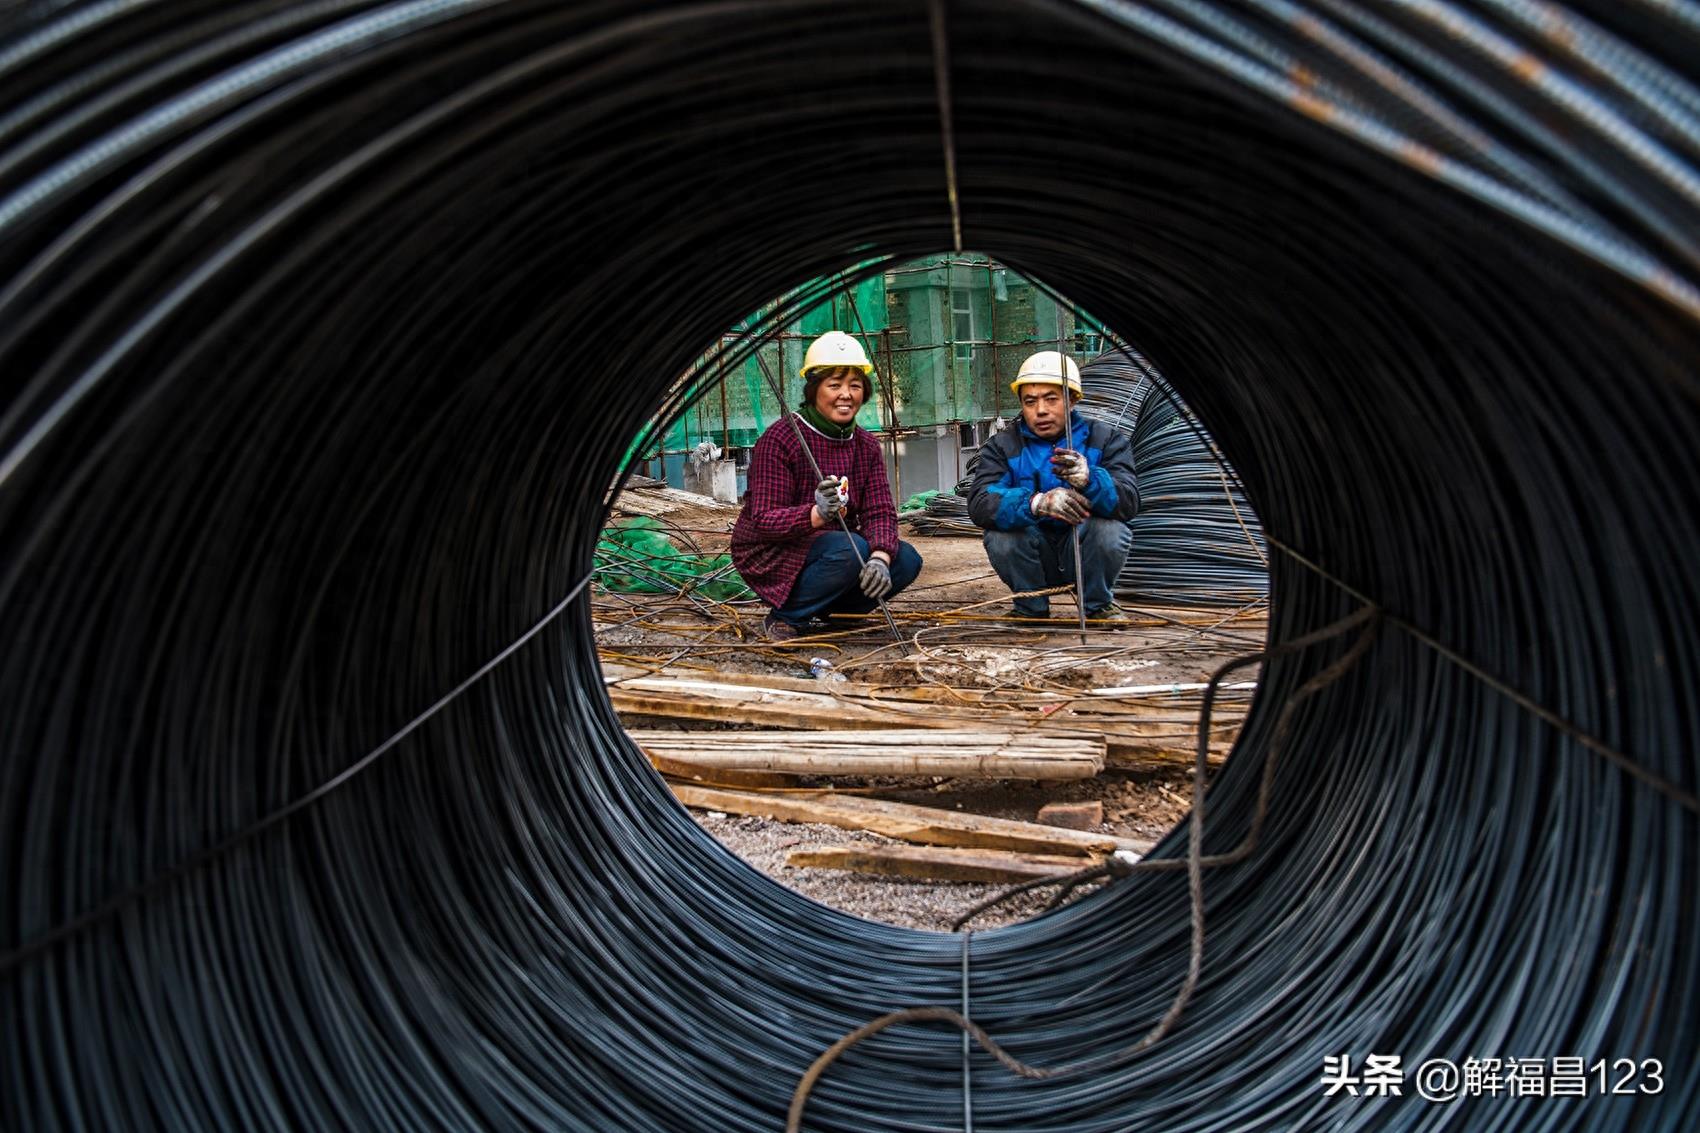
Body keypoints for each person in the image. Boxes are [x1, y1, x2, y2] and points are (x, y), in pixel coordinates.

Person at [731, 331, 923, 640]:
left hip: (834, 548)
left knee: (905, 559)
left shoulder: (865, 445)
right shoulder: (781, 439)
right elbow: (765, 520)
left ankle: (836, 612)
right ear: (814, 389)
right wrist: (816, 514)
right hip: (774, 550)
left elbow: (879, 511)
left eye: (855, 386)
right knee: (851, 549)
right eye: (834, 385)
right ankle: (786, 616)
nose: (846, 395)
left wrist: (880, 558)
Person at [965, 350, 1139, 623]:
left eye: (1051, 399)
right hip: (1033, 554)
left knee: (1110, 531)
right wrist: (1036, 503)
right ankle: (1030, 608)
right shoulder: (1003, 446)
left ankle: (1098, 606)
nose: (1041, 410)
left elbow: (1128, 502)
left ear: (1072, 399)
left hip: (1082, 552)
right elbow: (981, 502)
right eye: (1030, 401)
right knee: (1001, 537)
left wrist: (1090, 480)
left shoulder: (1105, 440)